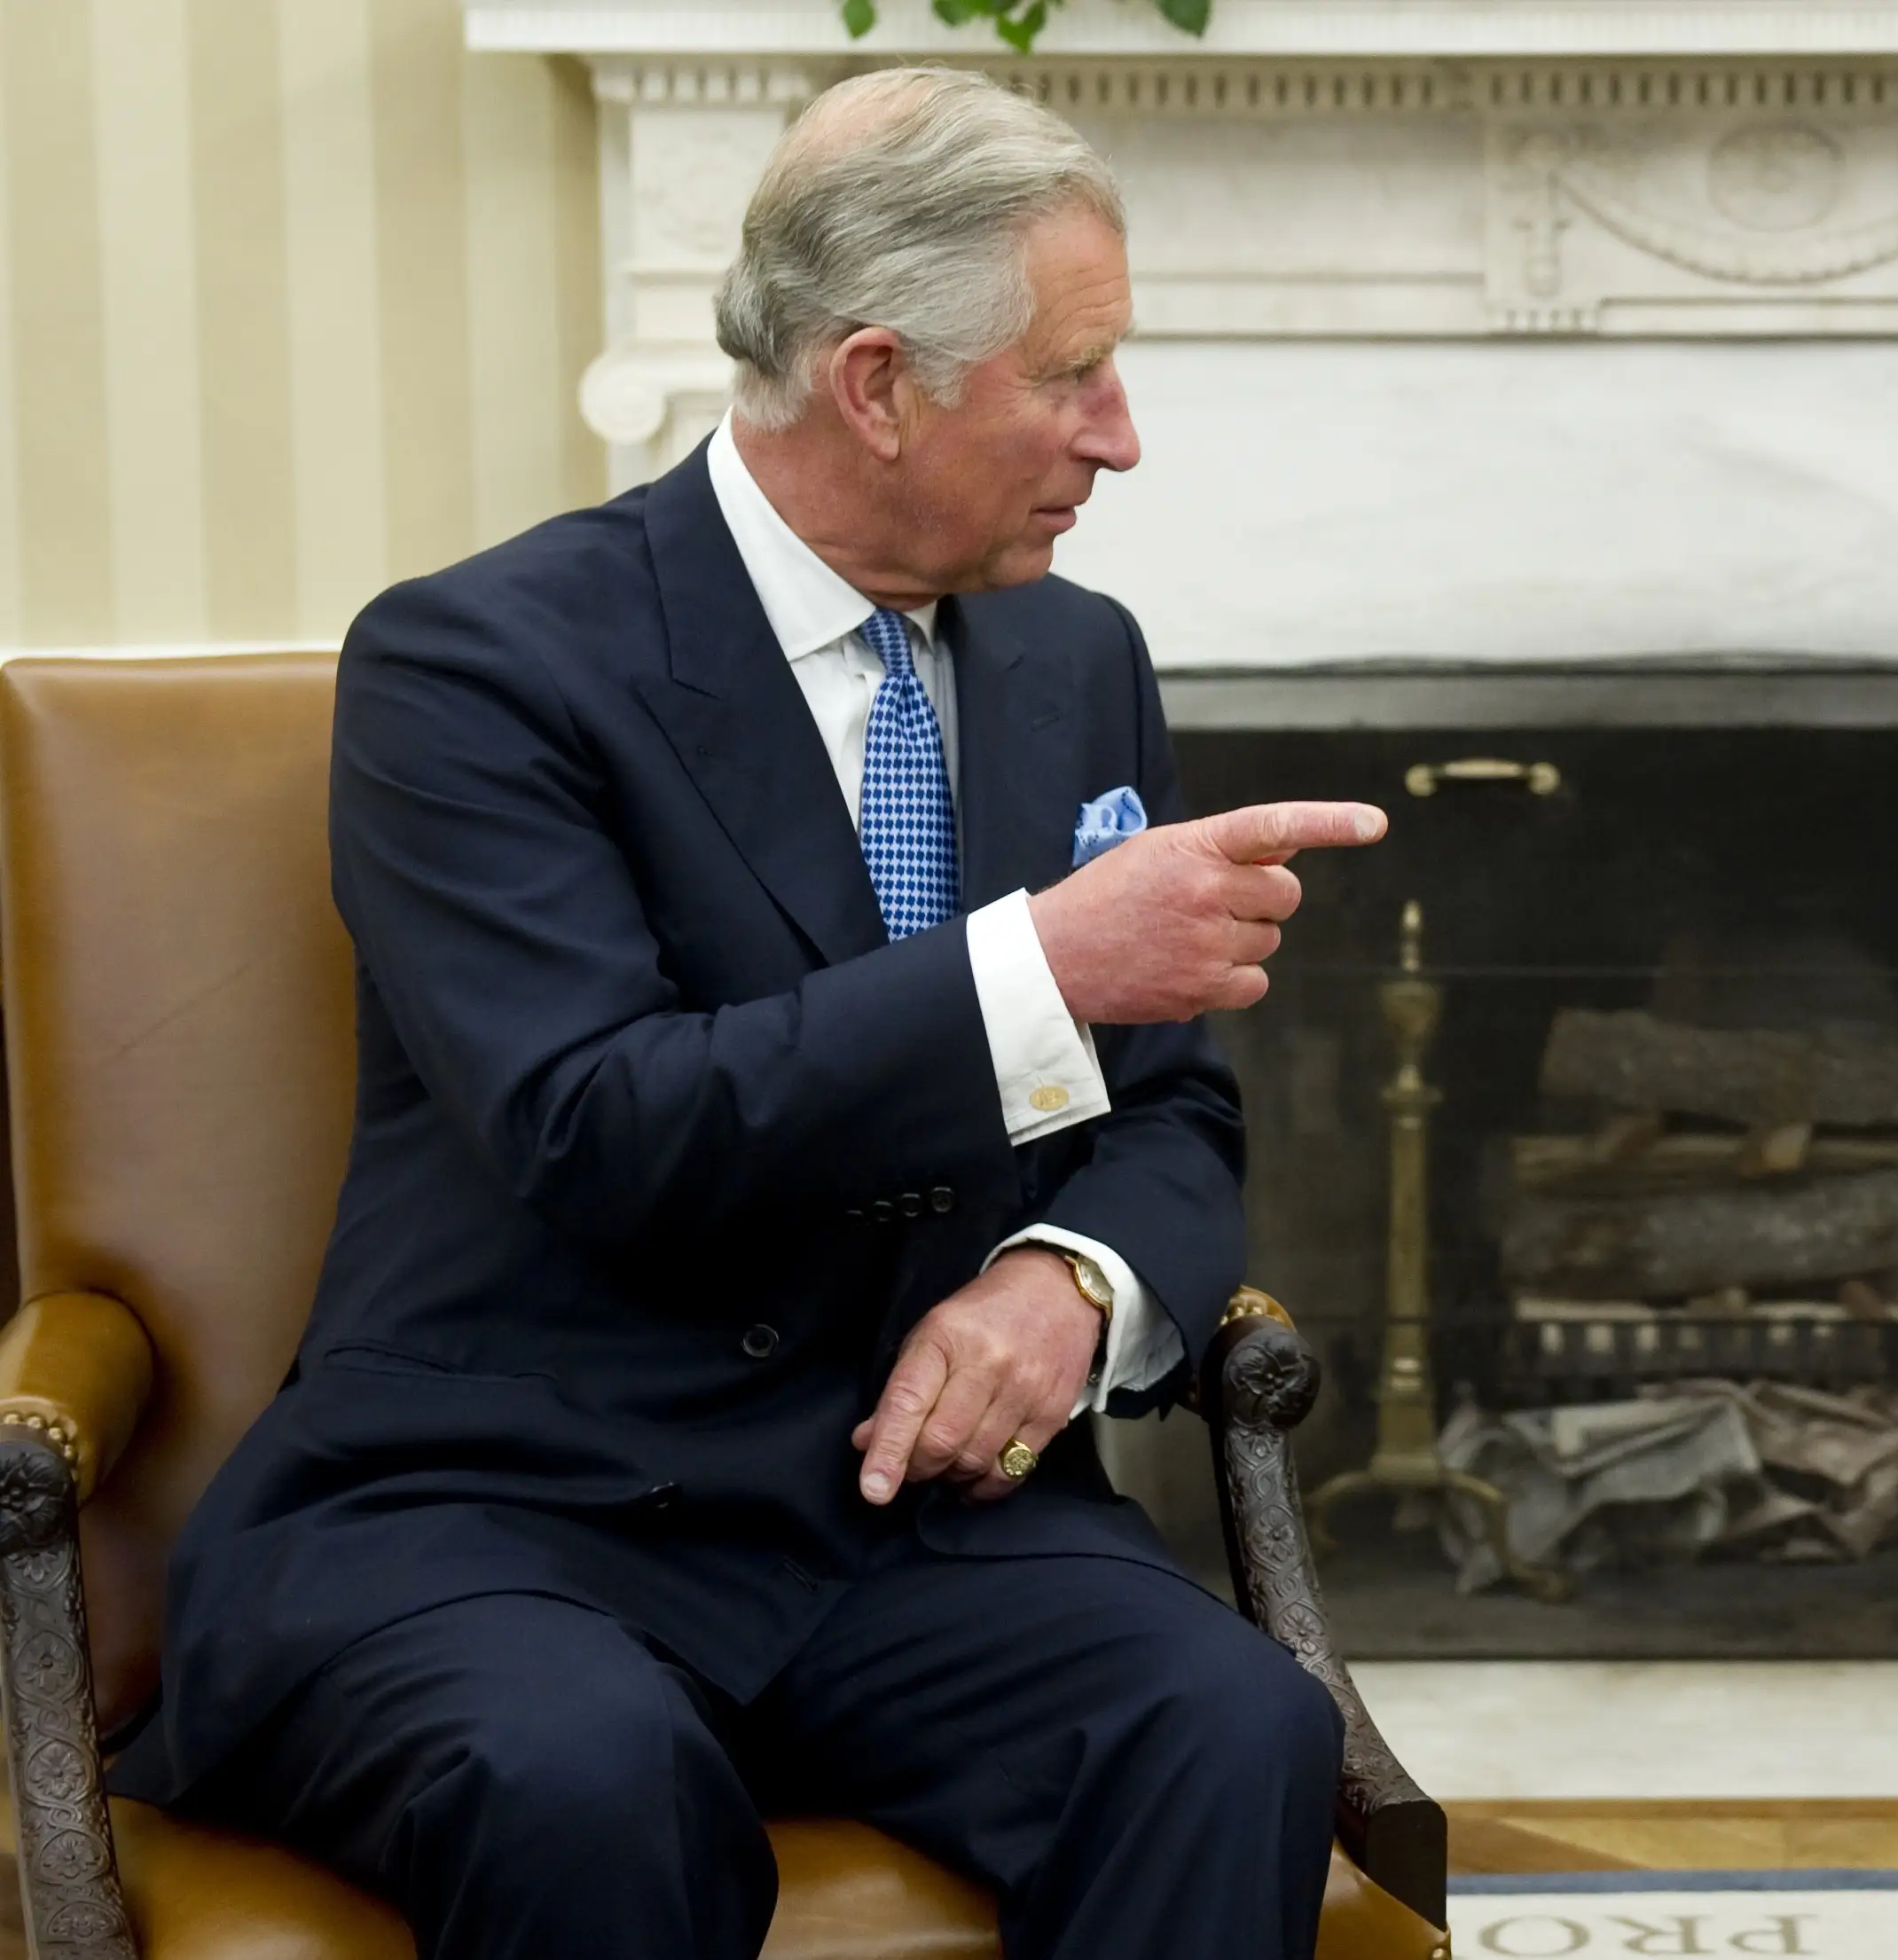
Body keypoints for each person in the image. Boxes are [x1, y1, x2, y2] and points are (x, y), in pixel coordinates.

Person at [104, 68, 1385, 1960]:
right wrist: (1041, 962)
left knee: (1229, 1723)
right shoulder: (478, 665)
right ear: (877, 383)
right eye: (1070, 375)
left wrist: (1071, 1285)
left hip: (911, 1531)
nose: (1122, 438)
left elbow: (1171, 1113)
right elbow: (598, 1124)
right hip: (507, 1518)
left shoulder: (1073, 655)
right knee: (584, 1776)